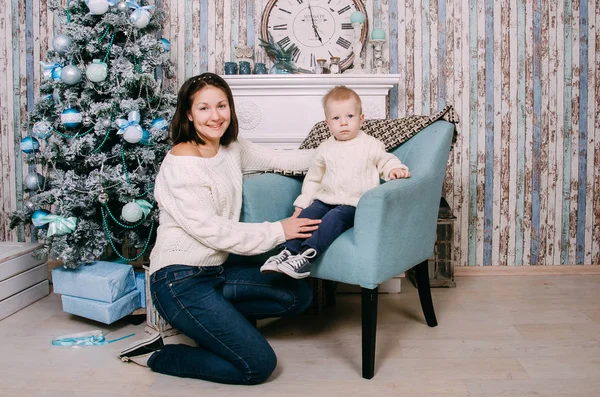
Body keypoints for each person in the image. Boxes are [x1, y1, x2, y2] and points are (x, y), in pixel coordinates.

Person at [118, 72, 322, 385]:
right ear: (188, 113)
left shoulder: (230, 147)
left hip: (217, 272)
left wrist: (344, 150)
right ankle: (160, 352)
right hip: (178, 281)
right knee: (258, 366)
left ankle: (213, 323)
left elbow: (283, 160)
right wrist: (280, 230)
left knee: (297, 295)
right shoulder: (181, 164)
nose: (215, 116)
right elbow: (214, 232)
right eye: (204, 108)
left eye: (222, 106)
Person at [260, 86, 411, 280]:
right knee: (308, 215)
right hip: (326, 199)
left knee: (333, 218)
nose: (344, 123)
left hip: (355, 204)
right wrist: (301, 205)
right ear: (328, 123)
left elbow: (386, 160)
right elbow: (313, 179)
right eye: (336, 119)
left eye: (350, 116)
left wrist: (394, 170)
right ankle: (288, 252)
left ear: (361, 119)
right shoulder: (325, 148)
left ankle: (306, 257)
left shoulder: (371, 144)